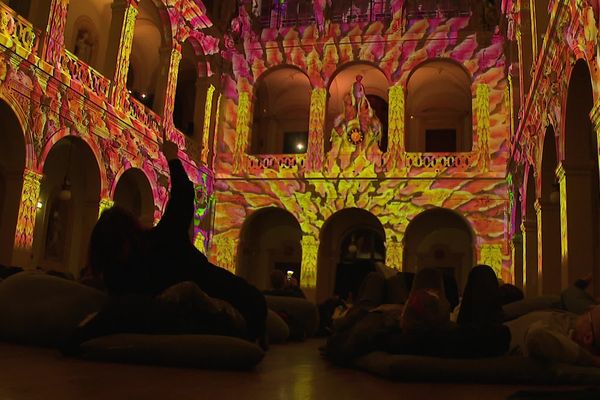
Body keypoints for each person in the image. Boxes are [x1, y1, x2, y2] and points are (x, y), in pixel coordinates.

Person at [86, 140, 267, 346]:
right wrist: (172, 157)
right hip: (243, 303)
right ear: (131, 232)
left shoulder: (116, 276)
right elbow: (183, 195)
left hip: (235, 305)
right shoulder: (162, 239)